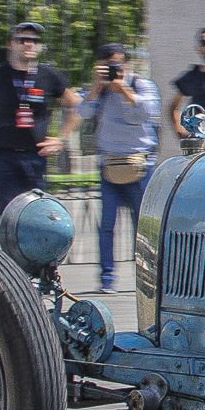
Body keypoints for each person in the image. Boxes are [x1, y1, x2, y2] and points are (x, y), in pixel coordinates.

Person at [77, 43, 161, 295]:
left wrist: (123, 89)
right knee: (107, 225)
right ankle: (107, 277)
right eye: (110, 65)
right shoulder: (99, 91)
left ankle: (149, 277)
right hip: (109, 167)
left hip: (139, 166)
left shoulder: (140, 85)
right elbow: (81, 112)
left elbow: (149, 113)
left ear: (127, 63)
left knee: (143, 228)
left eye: (119, 63)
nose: (116, 69)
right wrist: (96, 87)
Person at [0, 22, 76, 214]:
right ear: (10, 44)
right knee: (7, 213)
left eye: (34, 40)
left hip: (36, 156)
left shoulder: (48, 75)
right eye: (23, 40)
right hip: (5, 155)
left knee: (36, 212)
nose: (29, 44)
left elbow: (76, 105)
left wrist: (61, 139)